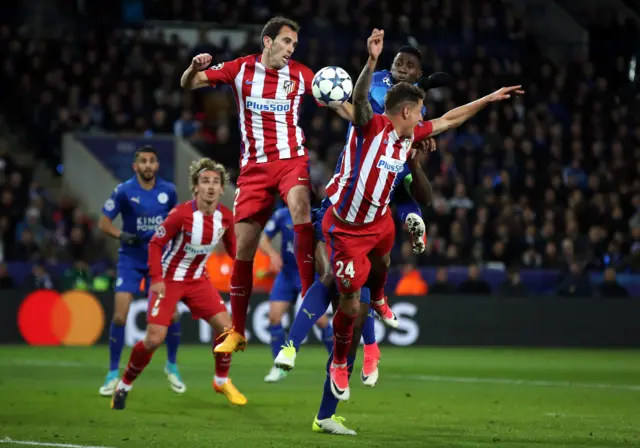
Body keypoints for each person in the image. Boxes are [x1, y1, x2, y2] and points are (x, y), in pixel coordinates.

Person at [311, 29, 523, 434]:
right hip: (343, 223)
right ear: (406, 109)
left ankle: (378, 307)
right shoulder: (370, 124)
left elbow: (449, 118)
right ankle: (335, 358)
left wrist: (489, 98)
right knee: (345, 301)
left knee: (380, 264)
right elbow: (357, 102)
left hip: (375, 224)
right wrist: (372, 61)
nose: (425, 114)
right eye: (419, 107)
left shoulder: (411, 136)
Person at [180, 17, 323, 354]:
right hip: (255, 169)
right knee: (243, 246)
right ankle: (238, 331)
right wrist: (191, 68)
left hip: (291, 160)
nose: (290, 50)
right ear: (267, 41)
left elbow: (342, 106)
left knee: (300, 207)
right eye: (286, 42)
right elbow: (190, 83)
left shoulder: (302, 75)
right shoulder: (240, 69)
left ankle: (307, 292)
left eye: (294, 45)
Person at [111, 158, 247, 410]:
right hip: (169, 280)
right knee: (153, 339)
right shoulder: (181, 214)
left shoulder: (225, 218)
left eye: (215, 182)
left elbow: (233, 250)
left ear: (221, 189)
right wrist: (157, 279)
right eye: (204, 181)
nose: (210, 187)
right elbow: (155, 244)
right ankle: (124, 385)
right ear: (195, 187)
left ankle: (221, 380)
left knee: (227, 329)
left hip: (198, 281)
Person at [97, 146, 184, 397]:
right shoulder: (124, 191)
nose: (147, 165)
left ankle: (172, 366)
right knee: (120, 317)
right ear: (135, 166)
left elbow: (176, 222)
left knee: (174, 316)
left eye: (152, 161)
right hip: (131, 260)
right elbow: (104, 222)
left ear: (157, 166)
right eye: (143, 161)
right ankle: (113, 373)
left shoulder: (168, 191)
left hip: (159, 261)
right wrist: (120, 234)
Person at [260, 207, 334, 383]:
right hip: (286, 274)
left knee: (321, 320)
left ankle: (338, 362)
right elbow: (264, 239)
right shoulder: (281, 214)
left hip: (308, 274)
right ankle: (279, 366)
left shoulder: (316, 214)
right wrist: (272, 255)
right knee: (274, 317)